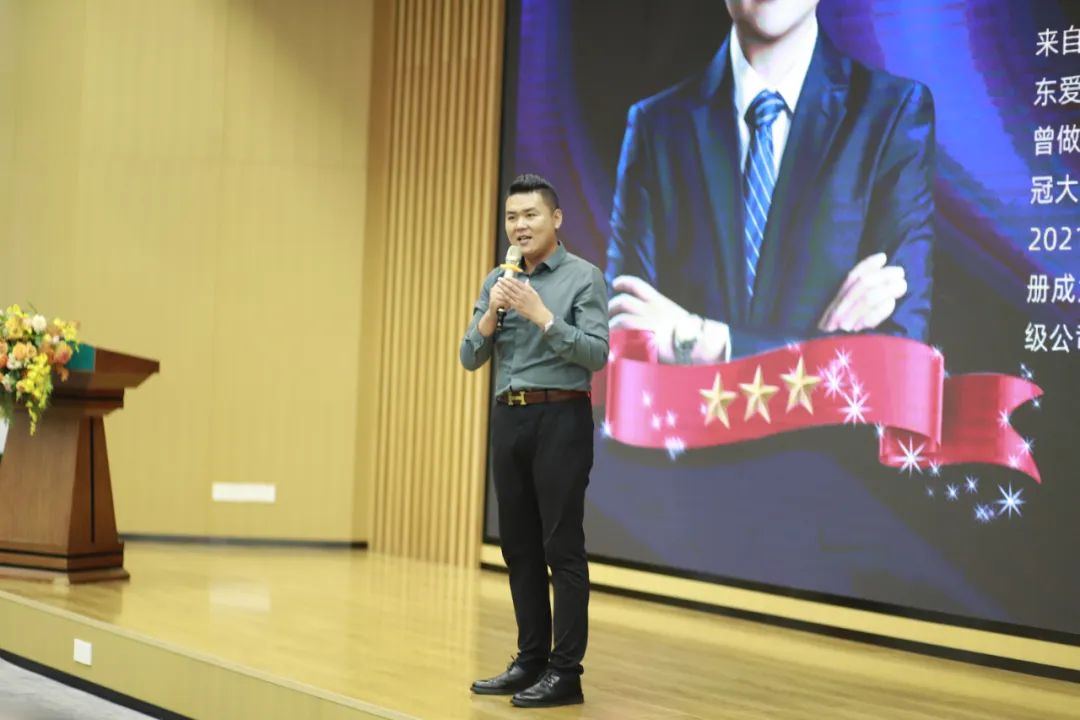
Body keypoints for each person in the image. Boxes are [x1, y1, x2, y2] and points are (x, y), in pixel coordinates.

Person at [606, 0, 934, 361]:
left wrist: (701, 341)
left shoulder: (890, 116)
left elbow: (898, 359)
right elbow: (627, 342)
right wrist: (823, 348)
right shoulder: (656, 129)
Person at [460, 174, 608, 708]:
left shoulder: (583, 278)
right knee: (519, 547)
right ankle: (530, 662)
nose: (519, 226)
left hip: (561, 417)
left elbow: (596, 354)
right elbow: (469, 357)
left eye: (530, 215)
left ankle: (566, 673)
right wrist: (491, 314)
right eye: (511, 217)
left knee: (560, 548)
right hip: (510, 419)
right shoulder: (498, 279)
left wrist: (542, 316)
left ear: (556, 219)